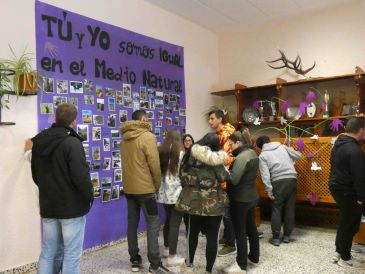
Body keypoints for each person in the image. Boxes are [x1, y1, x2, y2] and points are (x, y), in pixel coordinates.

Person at [31, 103, 94, 274]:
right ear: (73, 122)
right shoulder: (72, 143)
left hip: (48, 205)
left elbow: (35, 176)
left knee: (48, 252)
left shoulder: (39, 141)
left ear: (55, 117)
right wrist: (90, 197)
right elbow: (81, 178)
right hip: (71, 208)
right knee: (71, 254)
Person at [120, 109, 173, 274]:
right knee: (153, 224)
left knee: (132, 224)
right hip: (146, 190)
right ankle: (155, 264)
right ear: (143, 119)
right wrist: (156, 185)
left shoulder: (124, 140)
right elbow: (154, 165)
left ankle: (135, 260)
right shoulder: (148, 136)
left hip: (129, 189)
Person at [176, 133, 229, 274]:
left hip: (193, 201)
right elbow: (223, 177)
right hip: (213, 203)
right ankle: (209, 270)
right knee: (212, 237)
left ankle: (188, 264)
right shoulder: (216, 159)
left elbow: (181, 175)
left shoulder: (189, 155)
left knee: (192, 233)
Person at [329, 118, 365, 269]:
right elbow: (360, 177)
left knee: (345, 220)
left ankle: (339, 251)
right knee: (350, 224)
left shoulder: (337, 145)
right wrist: (361, 198)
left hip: (337, 188)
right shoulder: (354, 150)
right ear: (361, 130)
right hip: (348, 192)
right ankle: (345, 258)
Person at [223, 131, 260, 273]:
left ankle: (241, 264)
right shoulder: (252, 153)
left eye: (231, 145)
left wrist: (224, 171)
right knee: (251, 228)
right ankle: (254, 257)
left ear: (238, 142)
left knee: (240, 232)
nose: (230, 148)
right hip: (251, 197)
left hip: (240, 199)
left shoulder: (241, 158)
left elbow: (234, 179)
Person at [256, 135, 302, 247]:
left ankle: (276, 238)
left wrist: (269, 190)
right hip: (292, 179)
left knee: (277, 208)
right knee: (290, 208)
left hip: (278, 182)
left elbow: (265, 175)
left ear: (260, 147)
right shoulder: (282, 147)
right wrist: (290, 160)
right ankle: (287, 236)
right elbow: (299, 155)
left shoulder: (262, 155)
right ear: (269, 141)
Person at [208, 109, 236, 256]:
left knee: (227, 213)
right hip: (223, 178)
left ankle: (231, 244)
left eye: (212, 119)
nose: (210, 121)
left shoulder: (226, 134)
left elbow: (226, 159)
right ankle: (227, 237)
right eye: (209, 119)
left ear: (220, 119)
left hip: (226, 180)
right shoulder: (219, 135)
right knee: (226, 211)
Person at [157, 129, 185, 266]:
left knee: (168, 221)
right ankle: (172, 257)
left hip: (164, 193)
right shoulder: (180, 153)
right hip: (177, 193)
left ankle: (167, 249)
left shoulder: (160, 151)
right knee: (175, 224)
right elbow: (182, 173)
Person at [182, 133, 195, 234]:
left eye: (189, 140)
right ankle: (188, 230)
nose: (187, 142)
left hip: (194, 186)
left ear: (192, 142)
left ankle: (197, 230)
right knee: (186, 211)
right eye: (186, 141)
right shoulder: (181, 154)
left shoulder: (196, 155)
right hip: (184, 187)